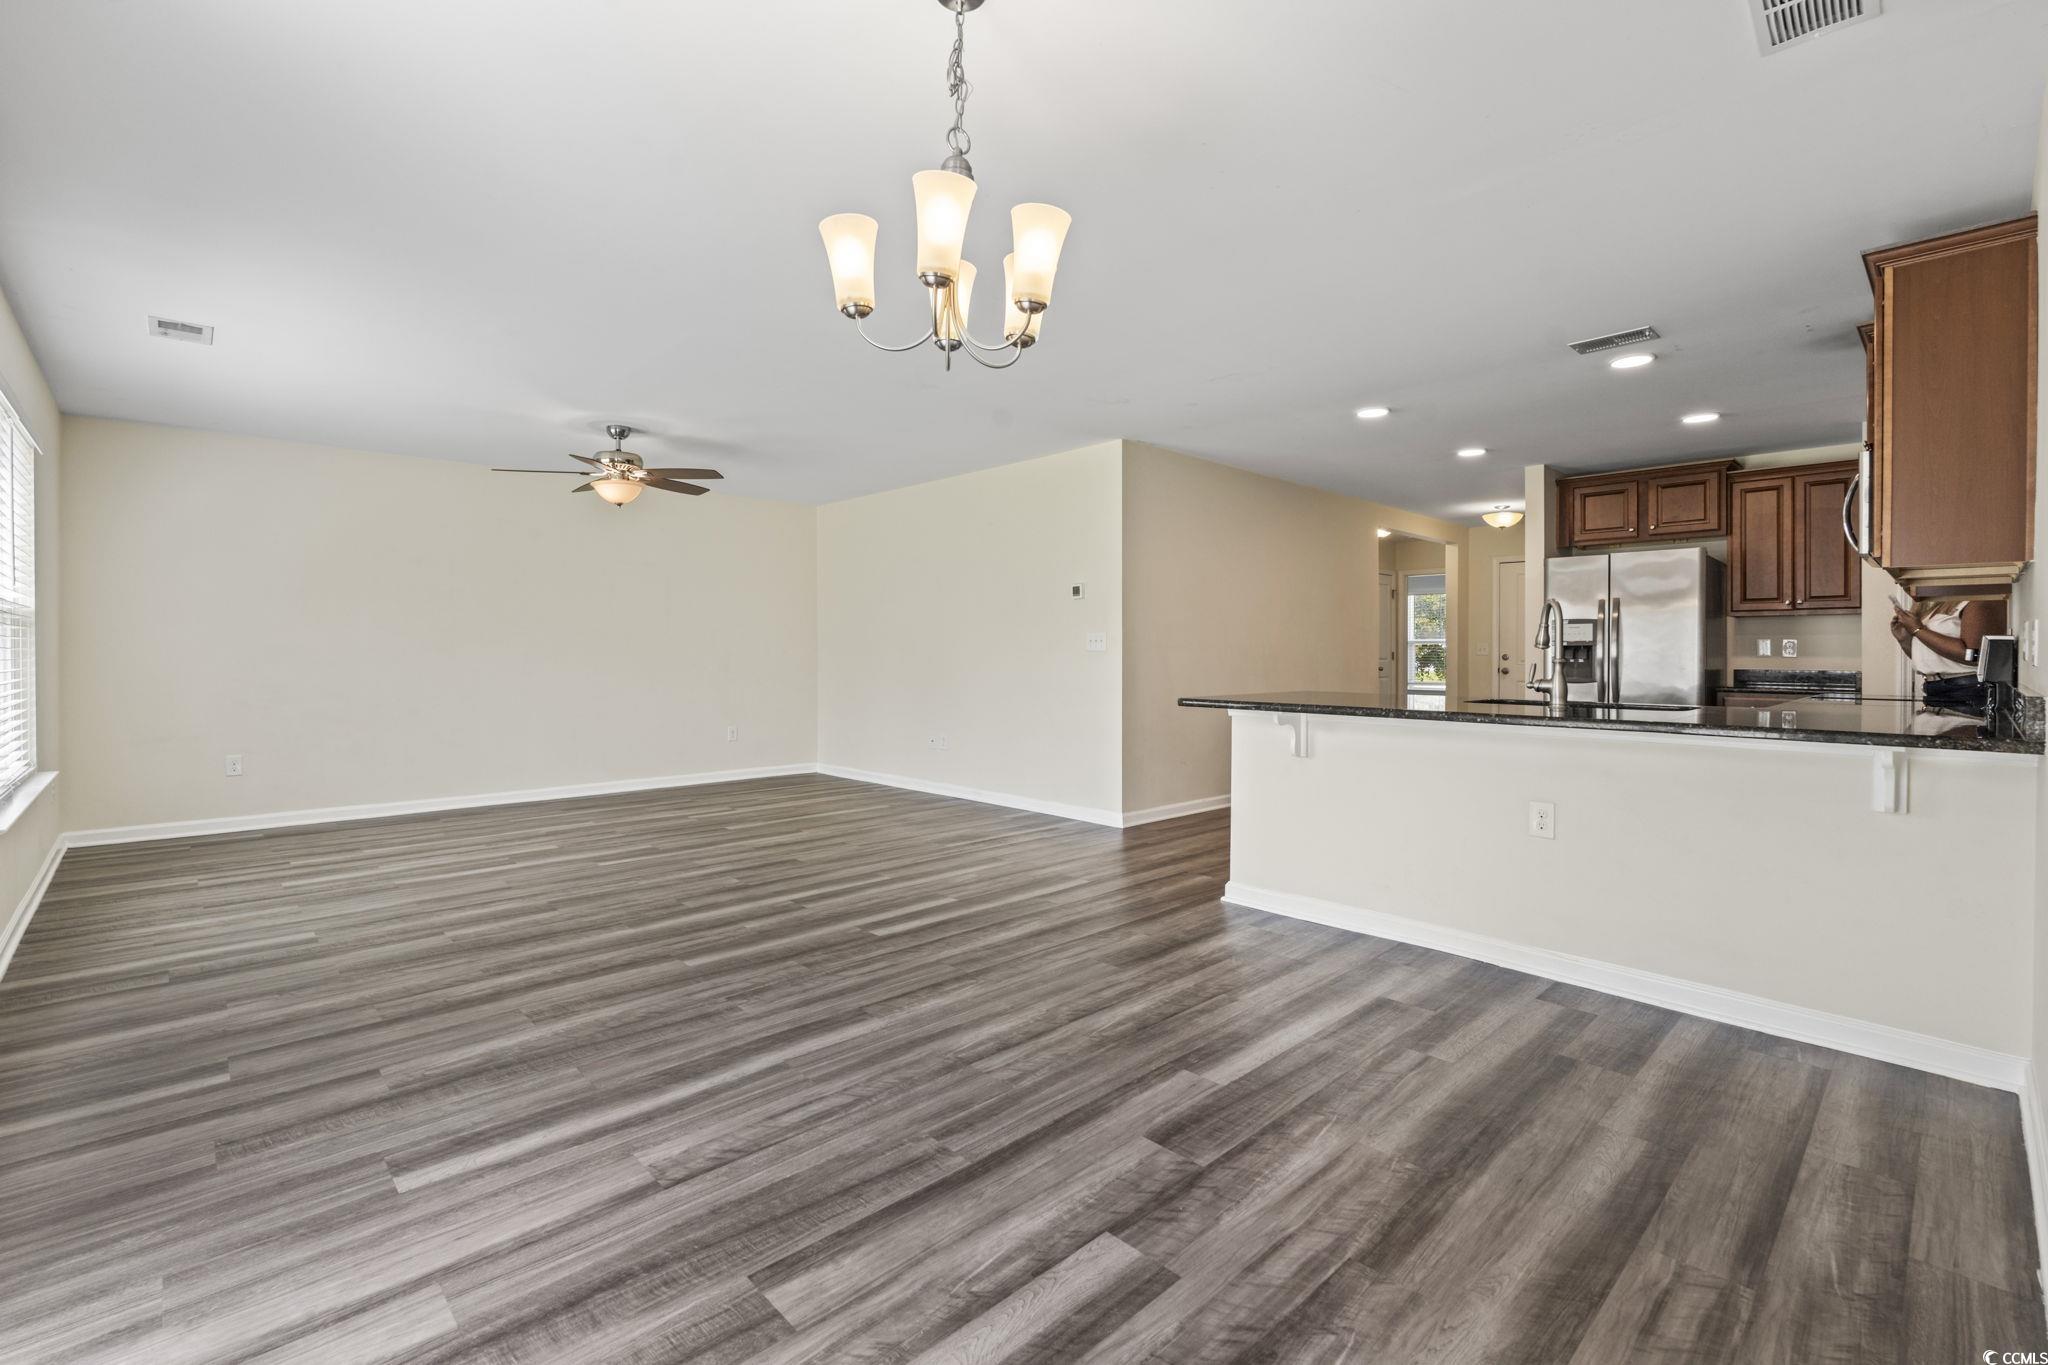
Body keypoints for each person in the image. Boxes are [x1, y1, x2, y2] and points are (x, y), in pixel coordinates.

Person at [1889, 597, 2001, 681]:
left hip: (1966, 688)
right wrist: (1904, 640)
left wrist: (1918, 630)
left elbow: (1975, 657)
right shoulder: (1941, 604)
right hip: (1936, 688)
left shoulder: (1979, 600)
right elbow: (1934, 660)